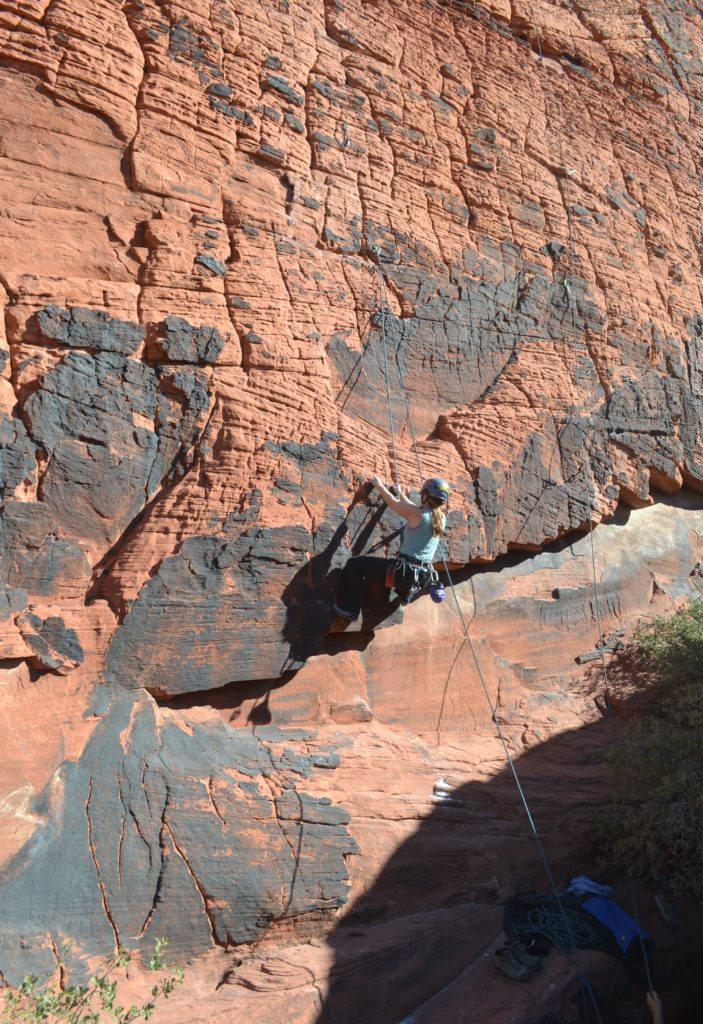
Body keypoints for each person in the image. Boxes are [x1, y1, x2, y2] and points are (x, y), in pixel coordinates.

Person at [331, 475, 450, 625]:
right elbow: (411, 508)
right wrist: (399, 493)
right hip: (421, 578)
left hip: (403, 573)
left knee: (354, 565)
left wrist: (379, 485)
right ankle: (404, 595)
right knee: (398, 572)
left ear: (425, 494)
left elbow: (394, 505)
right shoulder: (441, 518)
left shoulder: (417, 514)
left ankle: (349, 609)